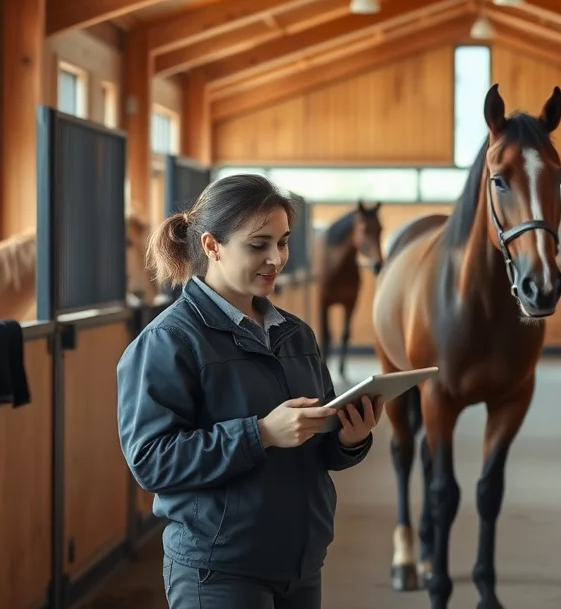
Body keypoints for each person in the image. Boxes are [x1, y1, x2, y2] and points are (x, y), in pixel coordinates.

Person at [116, 173, 384, 608]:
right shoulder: (169, 341)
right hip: (219, 570)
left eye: (282, 242)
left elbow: (318, 447)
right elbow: (151, 461)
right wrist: (259, 433)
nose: (275, 258)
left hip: (301, 563)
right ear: (211, 246)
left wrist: (350, 438)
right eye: (258, 245)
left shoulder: (297, 335)